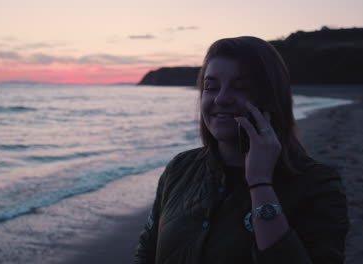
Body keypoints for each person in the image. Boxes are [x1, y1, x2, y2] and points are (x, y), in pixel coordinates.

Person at [134, 36, 349, 264]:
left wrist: (260, 184)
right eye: (211, 87)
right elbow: (146, 253)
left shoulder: (317, 186)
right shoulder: (180, 169)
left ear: (272, 97)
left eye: (241, 87)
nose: (221, 98)